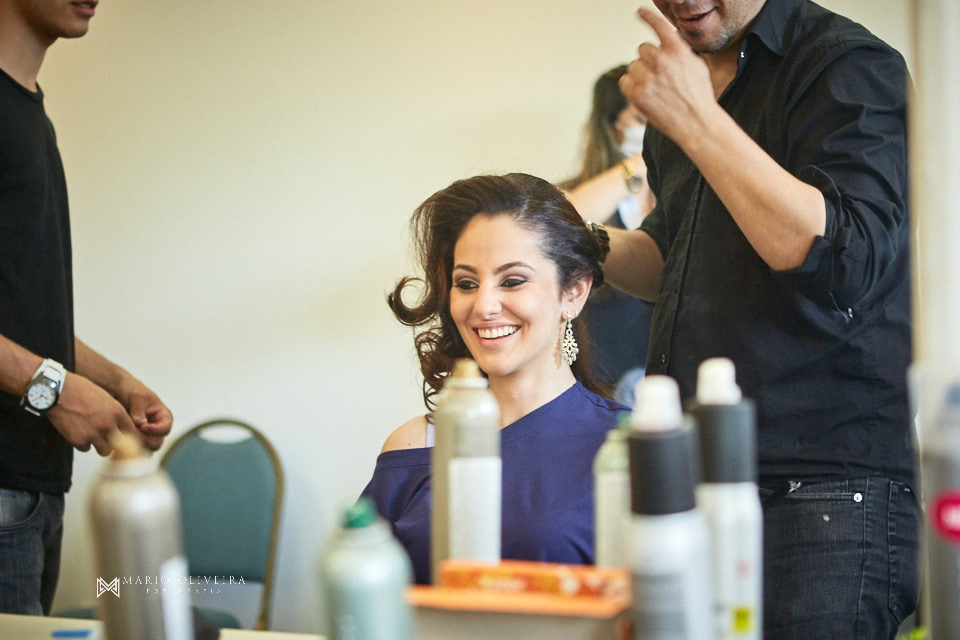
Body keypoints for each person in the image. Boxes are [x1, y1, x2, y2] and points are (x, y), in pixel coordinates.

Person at [594, 1, 917, 637]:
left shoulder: (847, 64)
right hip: (704, 479)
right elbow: (670, 259)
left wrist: (697, 122)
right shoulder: (685, 97)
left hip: (827, 493)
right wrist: (566, 238)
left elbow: (843, 260)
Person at [361, 173, 628, 584]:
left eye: (513, 281)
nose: (484, 306)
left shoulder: (627, 444)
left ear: (573, 293)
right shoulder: (414, 444)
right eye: (466, 283)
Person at [1, 0, 173, 616]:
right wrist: (52, 388)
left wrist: (113, 381)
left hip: (33, 486)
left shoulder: (29, 112)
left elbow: (19, 309)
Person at [561, 65, 657, 405]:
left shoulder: (683, 199)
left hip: (671, 388)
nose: (658, 130)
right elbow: (561, 222)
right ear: (612, 127)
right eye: (644, 120)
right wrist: (640, 162)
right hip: (601, 391)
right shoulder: (584, 196)